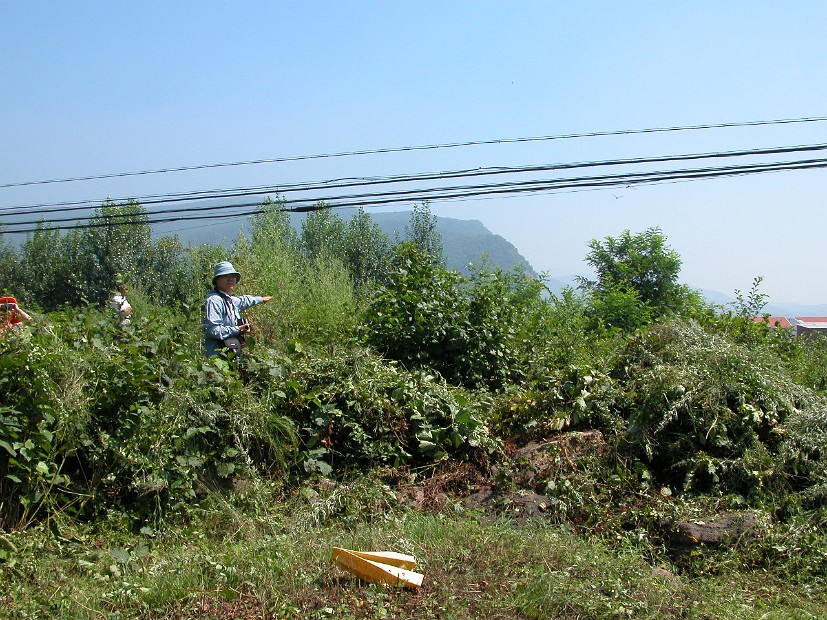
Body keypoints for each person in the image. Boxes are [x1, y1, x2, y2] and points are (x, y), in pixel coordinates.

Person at [203, 261, 272, 358]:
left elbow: (244, 300)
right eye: (225, 276)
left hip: (230, 354)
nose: (230, 279)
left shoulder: (229, 300)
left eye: (233, 276)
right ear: (217, 280)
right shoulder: (214, 301)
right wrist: (237, 329)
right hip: (216, 358)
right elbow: (213, 330)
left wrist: (261, 299)